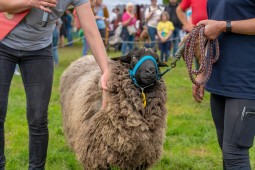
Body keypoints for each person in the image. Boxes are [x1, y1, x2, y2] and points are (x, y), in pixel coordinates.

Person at [0, 0, 109, 169]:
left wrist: (106, 70)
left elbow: (91, 31)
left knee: (38, 117)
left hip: (39, 51)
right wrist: (31, 2)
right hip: (3, 44)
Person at [192, 1, 255, 169]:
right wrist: (203, 72)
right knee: (227, 152)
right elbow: (213, 32)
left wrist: (224, 26)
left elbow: (220, 25)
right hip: (220, 78)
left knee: (235, 154)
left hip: (246, 81)